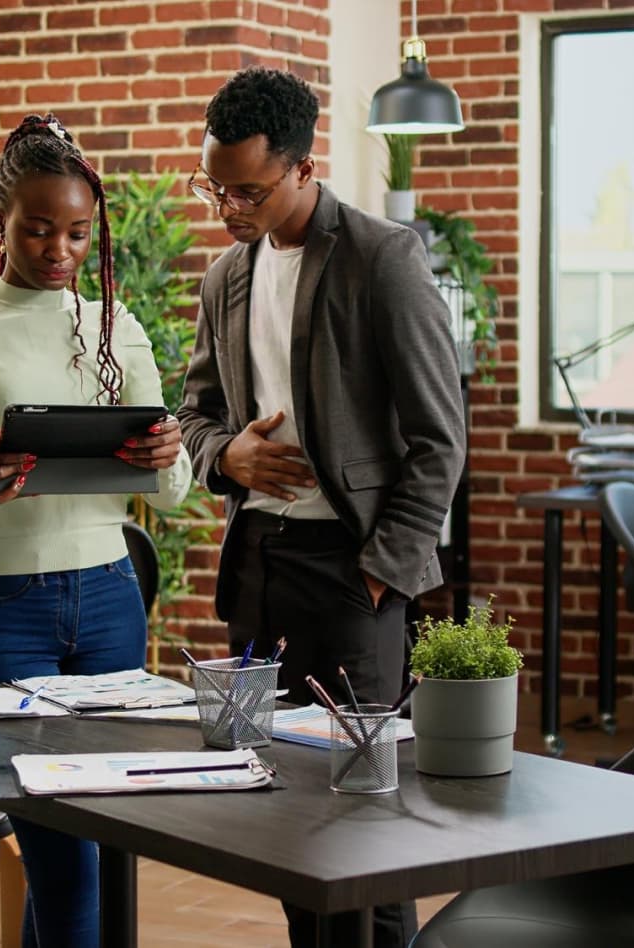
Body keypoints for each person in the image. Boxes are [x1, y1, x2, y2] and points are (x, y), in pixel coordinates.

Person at [176, 67, 466, 948]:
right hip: (257, 567)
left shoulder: (383, 257)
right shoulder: (226, 275)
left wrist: (381, 573)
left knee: (364, 825)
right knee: (283, 817)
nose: (228, 207)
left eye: (248, 190)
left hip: (353, 575)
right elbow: (193, 413)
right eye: (215, 186)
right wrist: (228, 453)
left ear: (304, 169)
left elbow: (438, 437)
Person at [0, 112, 192, 948]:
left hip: (109, 601)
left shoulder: (115, 328)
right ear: (0, 221)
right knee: (61, 853)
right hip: (4, 609)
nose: (59, 249)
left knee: (95, 840)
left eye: (75, 232)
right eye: (38, 228)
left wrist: (166, 452)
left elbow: (171, 496)